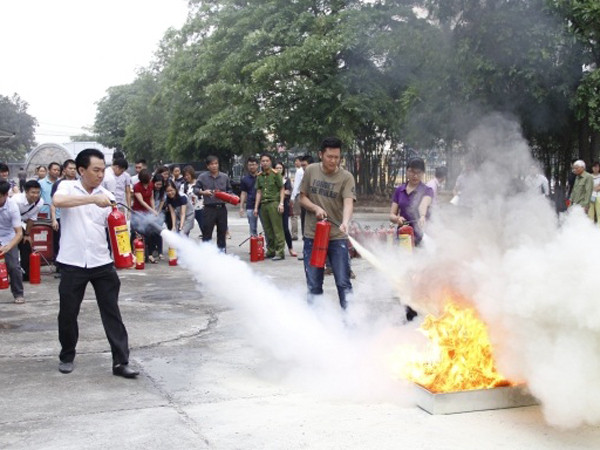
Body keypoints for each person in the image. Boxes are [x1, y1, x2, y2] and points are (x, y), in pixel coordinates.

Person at [52, 148, 138, 378]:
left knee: (112, 312)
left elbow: (117, 228)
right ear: (82, 170)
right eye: (96, 170)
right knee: (68, 313)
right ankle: (67, 356)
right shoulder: (67, 187)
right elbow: (58, 201)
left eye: (102, 170)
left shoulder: (107, 195)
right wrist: (92, 199)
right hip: (73, 263)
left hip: (102, 262)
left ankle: (121, 362)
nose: (100, 175)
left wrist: (125, 253)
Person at [299, 137, 356, 309]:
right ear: (321, 155)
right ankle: (317, 320)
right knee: (314, 283)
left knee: (343, 282)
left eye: (337, 157)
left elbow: (348, 203)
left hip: (337, 237)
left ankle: (350, 319)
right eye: (329, 156)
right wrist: (315, 208)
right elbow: (302, 198)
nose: (333, 161)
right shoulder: (311, 171)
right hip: (313, 236)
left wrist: (345, 222)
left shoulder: (346, 177)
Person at [390, 158, 433, 246]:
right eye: (412, 172)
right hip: (403, 235)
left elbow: (424, 204)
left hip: (421, 237)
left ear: (423, 173)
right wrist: (397, 219)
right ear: (407, 171)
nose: (415, 176)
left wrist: (422, 216)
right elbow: (391, 215)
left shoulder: (427, 190)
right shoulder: (399, 190)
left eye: (419, 172)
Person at [194, 155, 233, 252]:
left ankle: (221, 254)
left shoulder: (224, 177)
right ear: (208, 166)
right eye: (212, 164)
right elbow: (195, 189)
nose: (214, 166)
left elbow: (230, 190)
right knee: (207, 232)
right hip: (209, 208)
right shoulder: (202, 177)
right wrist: (203, 192)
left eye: (216, 163)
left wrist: (228, 196)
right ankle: (207, 254)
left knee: (222, 232)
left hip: (222, 208)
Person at [254, 154, 285, 260]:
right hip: (264, 205)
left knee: (277, 229)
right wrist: (256, 207)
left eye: (267, 161)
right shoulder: (259, 176)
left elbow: (281, 188)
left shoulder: (276, 174)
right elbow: (259, 192)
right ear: (260, 163)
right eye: (263, 161)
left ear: (270, 162)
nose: (265, 163)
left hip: (274, 203)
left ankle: (280, 252)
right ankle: (271, 250)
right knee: (267, 230)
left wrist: (281, 203)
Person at [0, 180, 25, 304]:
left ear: (5, 195)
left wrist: (8, 247)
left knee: (14, 266)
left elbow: (19, 233)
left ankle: (18, 293)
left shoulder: (12, 207)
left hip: (9, 238)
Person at [14, 180, 44, 281]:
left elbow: (32, 218)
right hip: (6, 224)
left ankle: (26, 273)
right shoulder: (16, 200)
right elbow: (12, 218)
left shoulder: (40, 202)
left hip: (19, 224)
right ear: (26, 192)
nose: (35, 195)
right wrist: (19, 234)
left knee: (26, 244)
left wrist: (26, 234)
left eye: (37, 192)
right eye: (33, 192)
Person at [131, 169, 160, 263]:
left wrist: (153, 210)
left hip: (147, 212)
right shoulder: (137, 186)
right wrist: (152, 210)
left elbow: (151, 198)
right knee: (136, 233)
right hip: (138, 213)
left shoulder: (151, 185)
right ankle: (134, 254)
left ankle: (149, 254)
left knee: (149, 233)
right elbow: (141, 202)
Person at [274, 161, 297, 257]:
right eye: (277, 168)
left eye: (280, 168)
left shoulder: (286, 180)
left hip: (284, 206)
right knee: (275, 228)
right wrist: (282, 192)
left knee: (285, 228)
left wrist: (278, 193)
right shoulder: (272, 179)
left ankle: (290, 248)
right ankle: (277, 249)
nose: (279, 169)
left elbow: (288, 192)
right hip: (274, 205)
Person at [180, 165, 203, 237]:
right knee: (185, 230)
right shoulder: (183, 186)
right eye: (185, 176)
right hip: (188, 210)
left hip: (199, 208)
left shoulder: (200, 183)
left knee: (204, 227)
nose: (186, 177)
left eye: (188, 175)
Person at [239, 156, 260, 237]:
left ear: (257, 165)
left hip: (263, 204)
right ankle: (254, 243)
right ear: (247, 166)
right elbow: (243, 193)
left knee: (267, 227)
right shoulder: (245, 179)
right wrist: (241, 207)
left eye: (254, 164)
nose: (252, 167)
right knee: (252, 228)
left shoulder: (262, 176)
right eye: (250, 165)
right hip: (250, 205)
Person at [290, 156, 303, 240]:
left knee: (294, 215)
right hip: (304, 195)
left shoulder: (299, 171)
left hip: (298, 195)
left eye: (297, 161)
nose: (295, 163)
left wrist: (292, 197)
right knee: (303, 215)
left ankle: (294, 234)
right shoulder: (305, 170)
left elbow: (296, 185)